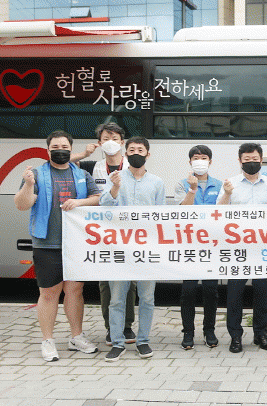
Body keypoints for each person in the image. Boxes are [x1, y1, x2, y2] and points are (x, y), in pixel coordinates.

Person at [14, 130, 101, 362]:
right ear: (48, 150)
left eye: (64, 147)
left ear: (71, 150)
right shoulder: (36, 174)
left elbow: (98, 198)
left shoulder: (81, 174)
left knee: (75, 291)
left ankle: (76, 337)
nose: (60, 150)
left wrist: (80, 202)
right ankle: (48, 340)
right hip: (47, 243)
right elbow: (22, 204)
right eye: (55, 147)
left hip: (77, 243)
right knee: (49, 293)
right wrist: (28, 185)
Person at [100, 136, 166, 362]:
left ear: (148, 154)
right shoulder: (115, 178)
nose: (136, 153)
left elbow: (161, 215)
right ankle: (117, 343)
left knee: (147, 297)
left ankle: (143, 341)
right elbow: (104, 205)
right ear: (125, 153)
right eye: (132, 150)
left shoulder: (157, 182)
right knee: (117, 298)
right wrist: (115, 187)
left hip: (147, 248)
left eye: (140, 150)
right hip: (120, 246)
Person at [72, 122, 137, 347]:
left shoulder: (133, 165)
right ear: (99, 143)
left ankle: (126, 325)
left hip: (127, 231)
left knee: (129, 281)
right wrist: (83, 154)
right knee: (106, 282)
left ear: (122, 142)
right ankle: (111, 327)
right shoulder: (92, 167)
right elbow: (60, 162)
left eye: (115, 138)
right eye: (106, 138)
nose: (111, 142)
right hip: (102, 233)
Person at [217, 143, 267, 353]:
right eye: (247, 159)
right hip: (237, 249)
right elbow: (218, 213)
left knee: (262, 292)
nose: (251, 163)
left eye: (255, 159)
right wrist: (226, 194)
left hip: (262, 248)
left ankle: (261, 334)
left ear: (261, 160)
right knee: (235, 293)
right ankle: (235, 336)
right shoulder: (230, 184)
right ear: (240, 161)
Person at [175, 145, 222, 350]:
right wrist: (192, 190)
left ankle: (209, 330)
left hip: (212, 245)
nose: (200, 161)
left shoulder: (220, 185)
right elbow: (182, 211)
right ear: (190, 162)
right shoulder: (181, 184)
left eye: (204, 158)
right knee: (188, 291)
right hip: (189, 245)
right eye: (196, 158)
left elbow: (223, 212)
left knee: (211, 290)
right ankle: (188, 332)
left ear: (210, 162)